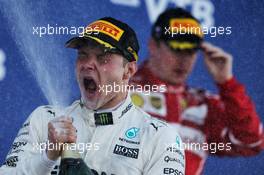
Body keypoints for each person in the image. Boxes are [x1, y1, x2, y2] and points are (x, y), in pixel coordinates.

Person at [0, 17, 185, 175]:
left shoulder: (160, 138)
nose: (88, 64)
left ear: (128, 71)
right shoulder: (45, 119)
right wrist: (47, 157)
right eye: (83, 55)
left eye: (103, 57)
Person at [130, 8, 264, 175]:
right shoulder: (121, 91)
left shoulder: (204, 105)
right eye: (177, 49)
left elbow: (251, 142)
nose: (183, 60)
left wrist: (227, 84)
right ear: (153, 45)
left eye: (191, 51)